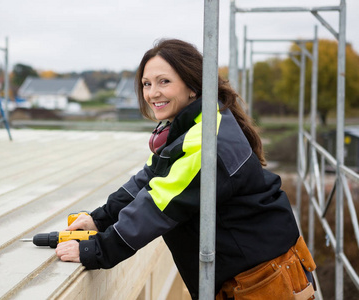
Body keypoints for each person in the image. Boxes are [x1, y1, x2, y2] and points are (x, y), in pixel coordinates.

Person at [55, 39, 316, 300]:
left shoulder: (208, 142)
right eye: (147, 84)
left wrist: (97, 249)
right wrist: (99, 219)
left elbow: (158, 205)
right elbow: (147, 180)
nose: (152, 93)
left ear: (192, 86)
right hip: (253, 273)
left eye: (164, 81)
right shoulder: (195, 126)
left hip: (264, 279)